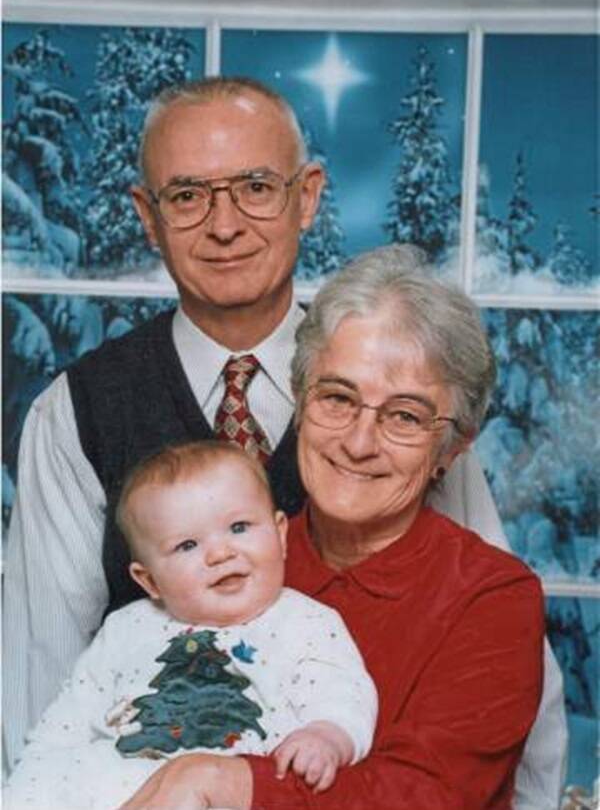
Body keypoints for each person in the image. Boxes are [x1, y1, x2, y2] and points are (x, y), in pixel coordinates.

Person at [2, 77, 566, 806]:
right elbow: (43, 690)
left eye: (256, 188)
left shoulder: (411, 386)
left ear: (307, 197)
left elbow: (493, 665)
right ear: (148, 216)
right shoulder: (78, 411)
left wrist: (222, 781)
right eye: (187, 195)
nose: (225, 226)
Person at [114, 245, 544, 810]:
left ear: (451, 447)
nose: (359, 443)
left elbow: (426, 796)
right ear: (300, 399)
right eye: (338, 397)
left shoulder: (491, 598)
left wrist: (224, 782)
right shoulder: (226, 568)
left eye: (406, 416)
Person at [5, 441, 377, 810]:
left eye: (239, 527)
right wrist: (31, 785)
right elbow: (64, 726)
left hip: (226, 784)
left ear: (280, 534)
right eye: (187, 545)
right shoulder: (126, 629)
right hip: (113, 784)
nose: (220, 553)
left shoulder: (306, 622)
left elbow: (343, 696)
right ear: (149, 580)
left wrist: (326, 736)